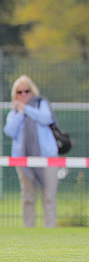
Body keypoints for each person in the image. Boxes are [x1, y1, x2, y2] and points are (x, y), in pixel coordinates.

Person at [4, 75, 59, 227]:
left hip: (47, 157)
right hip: (23, 159)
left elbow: (47, 118)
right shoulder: (14, 113)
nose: (23, 95)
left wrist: (27, 109)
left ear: (32, 91)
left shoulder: (41, 104)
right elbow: (9, 131)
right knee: (28, 197)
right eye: (19, 92)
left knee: (48, 197)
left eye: (26, 91)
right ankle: (29, 229)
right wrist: (20, 112)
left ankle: (50, 230)